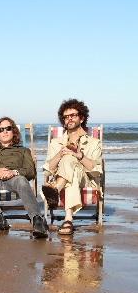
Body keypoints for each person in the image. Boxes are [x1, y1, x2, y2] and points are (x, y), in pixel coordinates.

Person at [42, 99, 102, 235]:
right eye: (66, 117)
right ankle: (68, 219)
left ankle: (55, 190)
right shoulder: (56, 143)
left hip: (85, 179)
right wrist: (59, 155)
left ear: (81, 118)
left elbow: (96, 171)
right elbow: (48, 168)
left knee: (71, 158)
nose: (69, 119)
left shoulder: (94, 143)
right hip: (67, 178)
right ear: (63, 121)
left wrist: (79, 155)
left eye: (73, 115)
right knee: (69, 165)